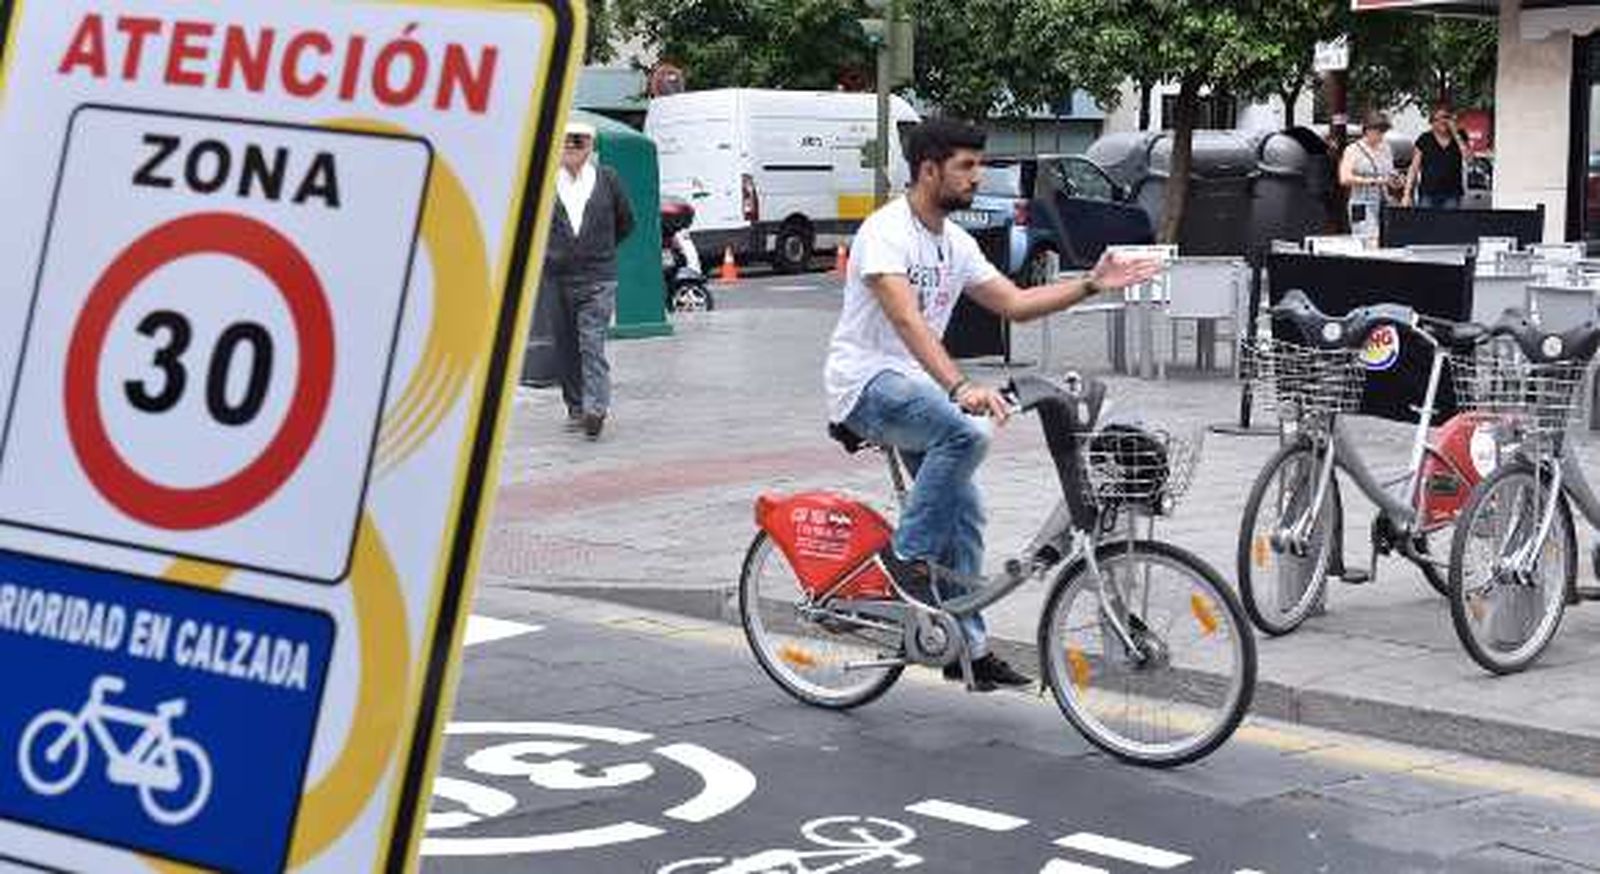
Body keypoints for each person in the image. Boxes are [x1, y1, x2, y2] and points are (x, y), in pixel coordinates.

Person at [823, 118, 1163, 691]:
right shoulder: (886, 232)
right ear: (929, 169)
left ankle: (969, 652)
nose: (978, 177)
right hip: (867, 386)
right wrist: (959, 388)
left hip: (917, 390)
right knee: (968, 434)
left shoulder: (954, 242)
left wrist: (1091, 285)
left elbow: (1014, 303)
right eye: (966, 166)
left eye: (979, 165)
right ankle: (903, 563)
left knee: (967, 513)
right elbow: (905, 320)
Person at [544, 121, 634, 438]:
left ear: (591, 147)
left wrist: (601, 251)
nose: (571, 147)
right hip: (557, 277)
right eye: (566, 141)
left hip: (598, 277)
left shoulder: (608, 179)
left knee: (591, 343)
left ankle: (595, 408)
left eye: (579, 142)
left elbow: (626, 221)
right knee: (566, 345)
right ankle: (576, 405)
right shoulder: (545, 182)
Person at [1339, 111, 1401, 240]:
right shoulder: (1353, 149)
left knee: (1386, 241)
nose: (1381, 136)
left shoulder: (1386, 148)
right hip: (1361, 203)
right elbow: (1344, 178)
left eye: (1384, 132)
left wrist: (1396, 179)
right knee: (1368, 241)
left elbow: (1389, 172)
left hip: (1383, 203)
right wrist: (1374, 181)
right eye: (1379, 132)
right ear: (1368, 130)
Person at [1403, 104, 1467, 210]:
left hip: (1452, 194)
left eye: (1446, 117)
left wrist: (1455, 133)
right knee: (1427, 224)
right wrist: (1407, 194)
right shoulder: (1424, 139)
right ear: (1432, 122)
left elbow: (1468, 158)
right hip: (1428, 193)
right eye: (1438, 119)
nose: (1442, 121)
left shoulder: (1460, 136)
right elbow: (1414, 168)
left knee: (1449, 225)